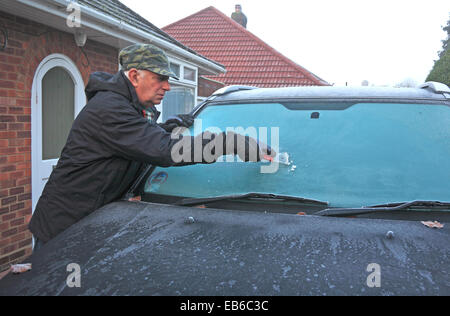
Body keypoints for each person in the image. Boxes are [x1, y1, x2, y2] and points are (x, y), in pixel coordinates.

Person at [29, 44, 274, 247]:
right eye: (160, 79)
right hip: (64, 228)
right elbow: (164, 150)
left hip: (90, 221)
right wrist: (232, 142)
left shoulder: (127, 106)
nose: (166, 86)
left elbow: (137, 138)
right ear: (135, 76)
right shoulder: (109, 109)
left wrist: (169, 125)